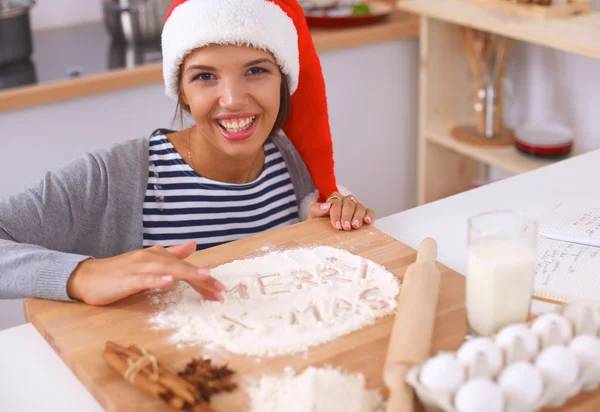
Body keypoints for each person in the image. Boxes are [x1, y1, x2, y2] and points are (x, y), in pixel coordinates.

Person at [0, 0, 375, 306]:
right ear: (180, 89)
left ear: (284, 81)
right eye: (205, 76)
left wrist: (328, 223)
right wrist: (81, 274)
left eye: (256, 70)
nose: (232, 100)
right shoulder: (111, 178)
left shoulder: (292, 162)